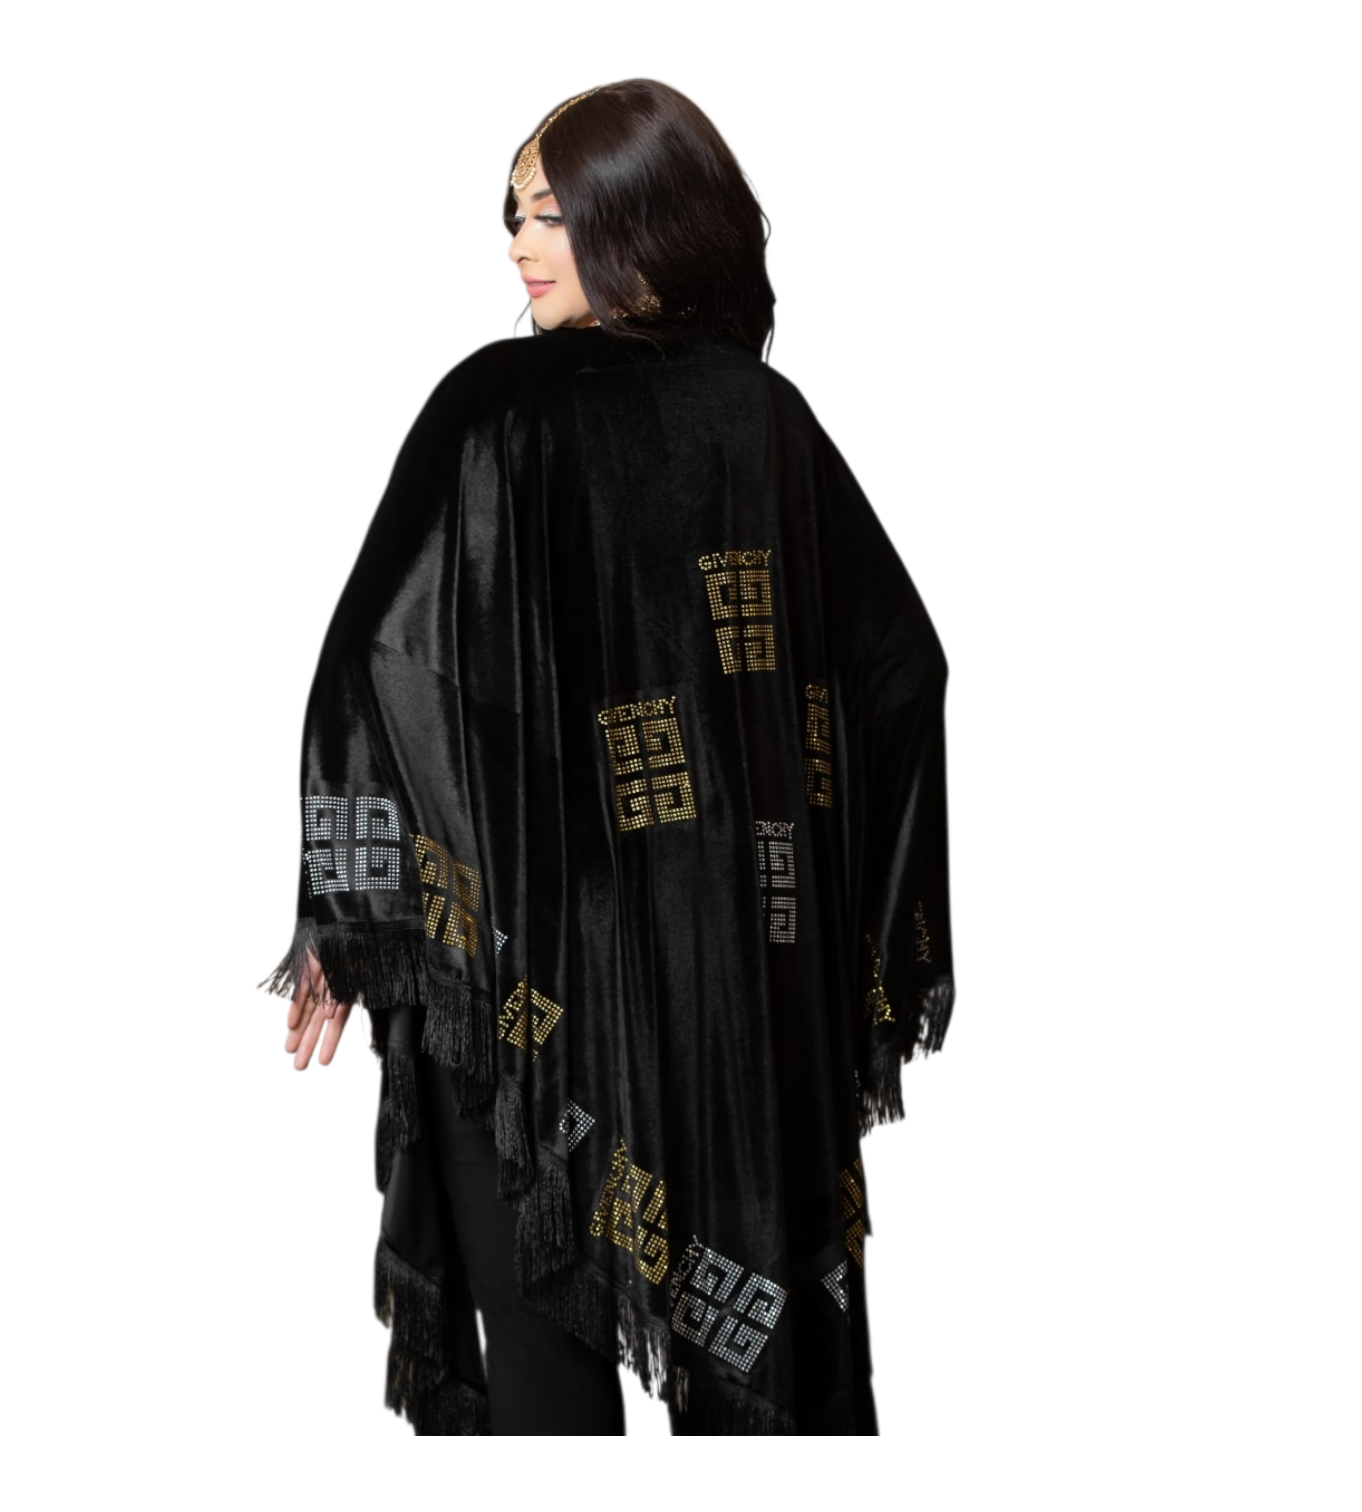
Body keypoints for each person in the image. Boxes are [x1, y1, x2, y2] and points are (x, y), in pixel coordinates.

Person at [262, 78, 956, 1436]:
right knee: (757, 1364)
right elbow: (898, 672)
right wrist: (822, 930)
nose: (518, 243)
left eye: (550, 212)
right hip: (724, 990)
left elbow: (382, 663)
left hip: (523, 980)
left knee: (541, 1380)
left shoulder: (495, 408)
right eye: (513, 214)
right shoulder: (764, 427)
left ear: (639, 217)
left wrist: (354, 907)